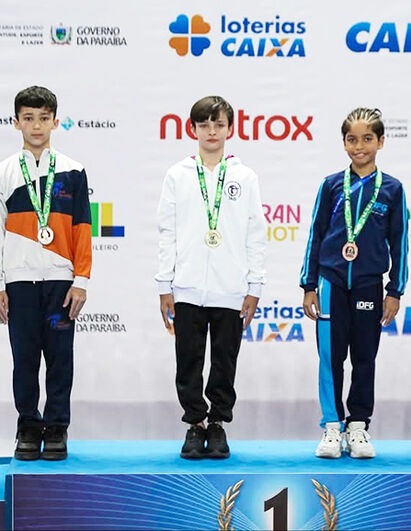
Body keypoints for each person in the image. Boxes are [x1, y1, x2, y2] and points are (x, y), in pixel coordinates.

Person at [0, 86, 91, 461]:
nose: (36, 125)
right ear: (16, 122)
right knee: (25, 358)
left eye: (44, 118)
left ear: (55, 122)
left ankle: (57, 427)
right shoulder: (2, 173)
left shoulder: (73, 171)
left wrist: (81, 281)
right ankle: (28, 425)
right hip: (19, 283)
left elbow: (82, 229)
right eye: (28, 118)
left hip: (61, 282)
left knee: (60, 358)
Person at [155, 95, 266, 459]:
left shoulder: (245, 177)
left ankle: (217, 423)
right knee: (188, 360)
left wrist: (254, 286)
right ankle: (195, 424)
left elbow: (255, 233)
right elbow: (167, 232)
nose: (212, 131)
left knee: (224, 361)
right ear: (193, 129)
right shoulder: (177, 175)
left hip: (231, 289)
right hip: (186, 288)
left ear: (230, 128)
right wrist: (165, 285)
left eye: (219, 124)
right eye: (204, 125)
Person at [300, 108, 408, 459]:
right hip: (331, 283)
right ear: (344, 143)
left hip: (368, 285)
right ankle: (332, 427)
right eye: (352, 139)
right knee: (330, 358)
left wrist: (395, 290)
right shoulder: (331, 185)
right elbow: (316, 235)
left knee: (364, 357)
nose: (359, 146)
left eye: (367, 139)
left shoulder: (392, 189)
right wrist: (309, 285)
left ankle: (358, 426)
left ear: (381, 141)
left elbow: (399, 242)